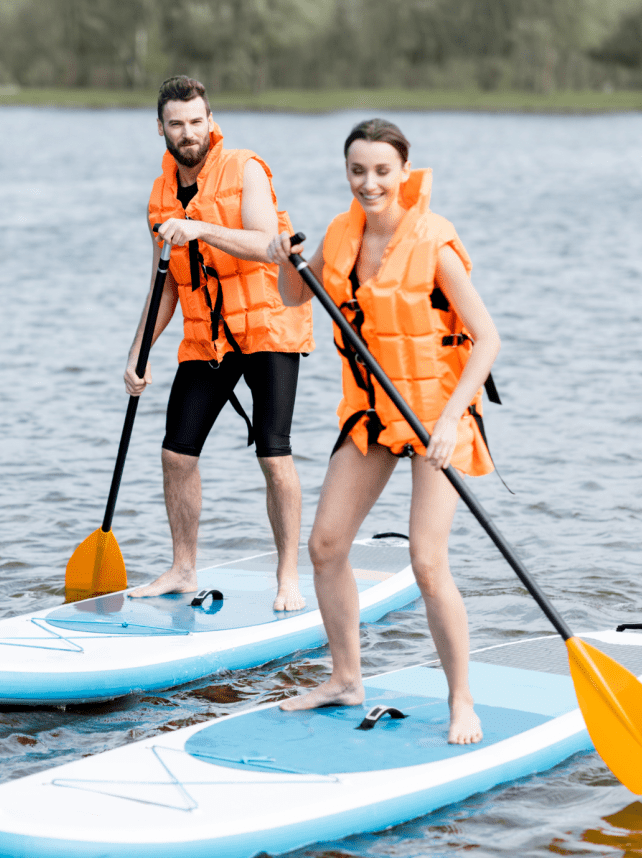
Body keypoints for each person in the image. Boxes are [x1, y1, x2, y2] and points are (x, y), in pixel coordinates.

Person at [267, 118, 500, 744]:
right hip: (374, 416)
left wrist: (452, 420)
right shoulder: (342, 235)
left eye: (381, 171)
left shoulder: (435, 244)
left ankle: (462, 701)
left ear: (403, 172)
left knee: (426, 560)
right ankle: (346, 678)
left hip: (435, 419)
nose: (369, 182)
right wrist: (283, 258)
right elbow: (294, 295)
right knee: (325, 545)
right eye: (357, 170)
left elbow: (488, 339)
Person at [124, 76, 314, 612]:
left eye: (197, 121)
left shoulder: (245, 168)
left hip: (269, 328)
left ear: (211, 120)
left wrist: (200, 228)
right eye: (177, 124)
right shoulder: (160, 197)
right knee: (175, 454)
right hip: (208, 338)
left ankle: (288, 578)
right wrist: (138, 351)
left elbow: (265, 246)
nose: (189, 133)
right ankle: (184, 568)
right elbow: (165, 282)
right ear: (160, 128)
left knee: (274, 455)